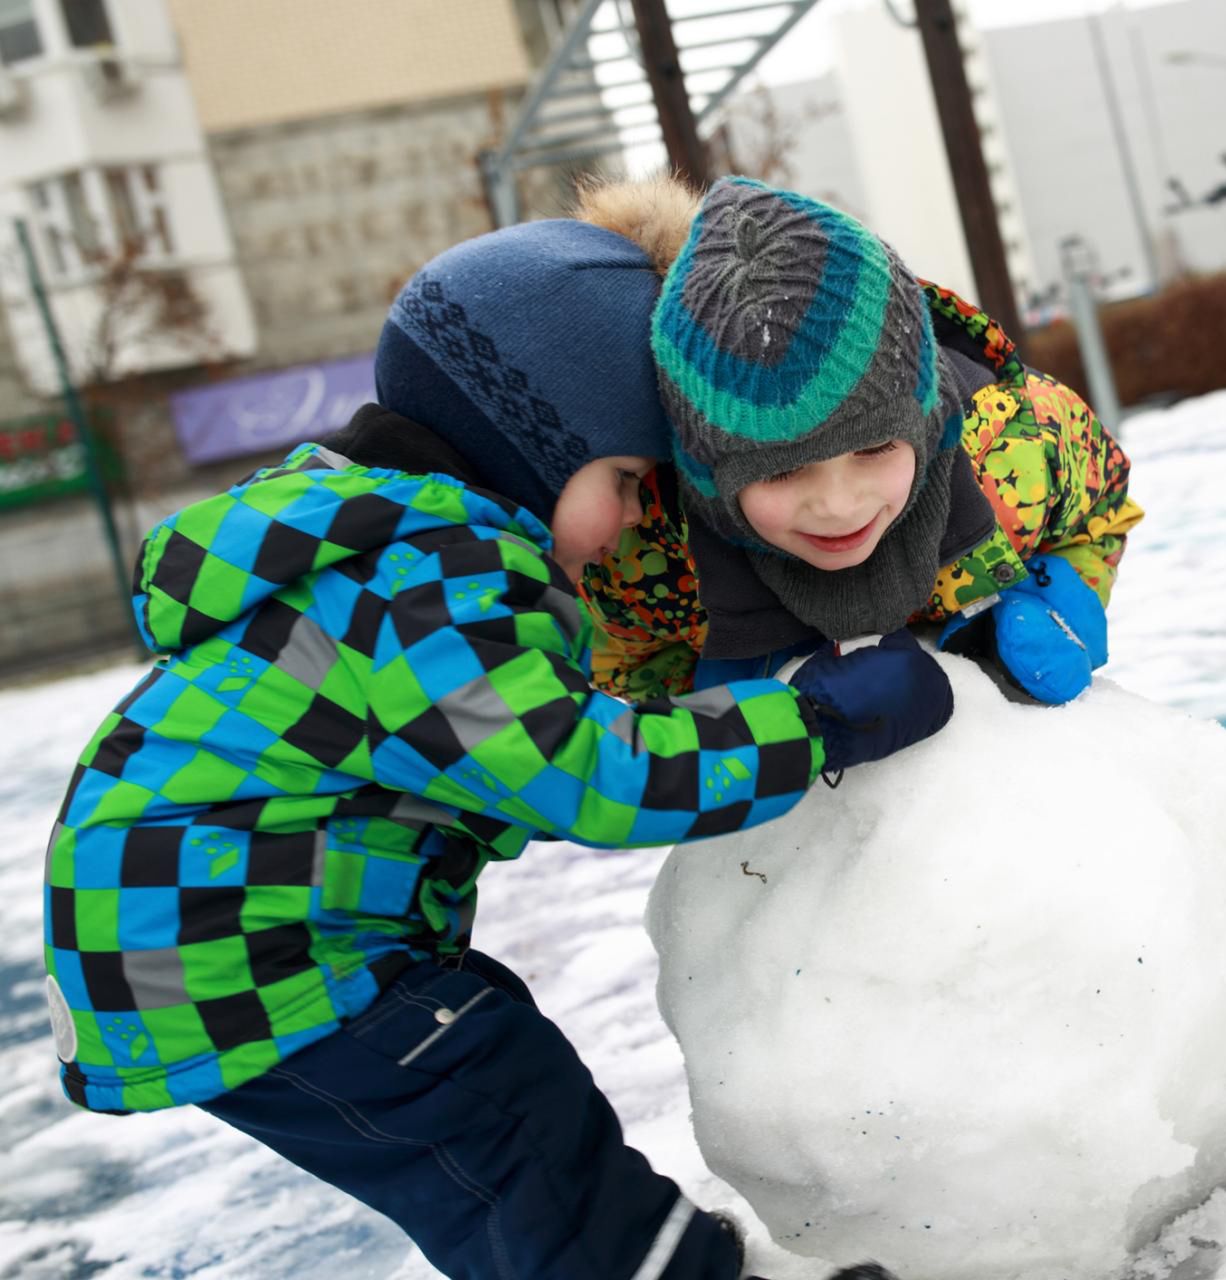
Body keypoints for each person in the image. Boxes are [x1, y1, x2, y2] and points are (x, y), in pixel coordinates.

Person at [40, 216, 948, 1280]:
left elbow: (490, 748)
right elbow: (578, 772)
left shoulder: (379, 541)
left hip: (211, 931)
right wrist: (816, 721)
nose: (625, 519)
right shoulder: (423, 578)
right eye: (620, 477)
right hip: (224, 946)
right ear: (536, 449)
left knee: (485, 1084)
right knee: (495, 1114)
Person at [568, 175, 1143, 708]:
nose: (839, 505)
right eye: (779, 471)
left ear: (925, 422)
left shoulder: (1011, 447)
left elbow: (1102, 502)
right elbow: (623, 657)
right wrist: (716, 702)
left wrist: (1059, 599)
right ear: (703, 473)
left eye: (873, 449)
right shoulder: (652, 554)